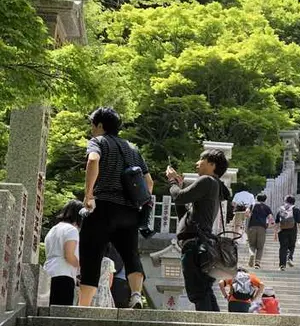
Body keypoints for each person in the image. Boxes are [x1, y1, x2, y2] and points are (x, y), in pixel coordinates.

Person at [78, 107, 152, 309]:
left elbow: (93, 160)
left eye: (93, 125)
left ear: (100, 125)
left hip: (103, 207)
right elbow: (149, 183)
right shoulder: (132, 149)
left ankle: (83, 306)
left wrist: (89, 194)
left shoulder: (98, 142)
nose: (92, 129)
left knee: (91, 255)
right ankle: (136, 295)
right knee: (131, 255)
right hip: (129, 211)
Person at [166, 149, 229, 313]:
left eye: (201, 159)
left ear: (212, 164)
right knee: (204, 290)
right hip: (204, 245)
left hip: (195, 245)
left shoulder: (207, 181)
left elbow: (179, 197)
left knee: (198, 291)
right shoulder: (216, 187)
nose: (197, 163)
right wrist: (179, 187)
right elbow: (183, 214)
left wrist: (172, 182)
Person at [44, 199, 83, 306]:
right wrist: (82, 267)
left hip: (48, 272)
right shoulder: (71, 230)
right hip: (64, 274)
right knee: (61, 311)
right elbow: (69, 255)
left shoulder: (53, 229)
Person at [274, 195, 300, 270]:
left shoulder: (280, 209)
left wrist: (275, 234)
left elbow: (277, 222)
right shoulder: (296, 209)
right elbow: (299, 222)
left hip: (282, 231)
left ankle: (282, 265)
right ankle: (289, 258)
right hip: (292, 230)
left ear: (285, 201)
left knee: (283, 248)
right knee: (291, 246)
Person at [246, 193, 274, 269]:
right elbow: (271, 218)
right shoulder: (267, 208)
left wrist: (249, 216)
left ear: (257, 199)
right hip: (262, 228)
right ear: (265, 199)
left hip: (252, 226)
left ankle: (252, 254)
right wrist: (270, 225)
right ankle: (257, 263)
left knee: (252, 245)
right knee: (260, 247)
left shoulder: (252, 206)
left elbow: (247, 213)